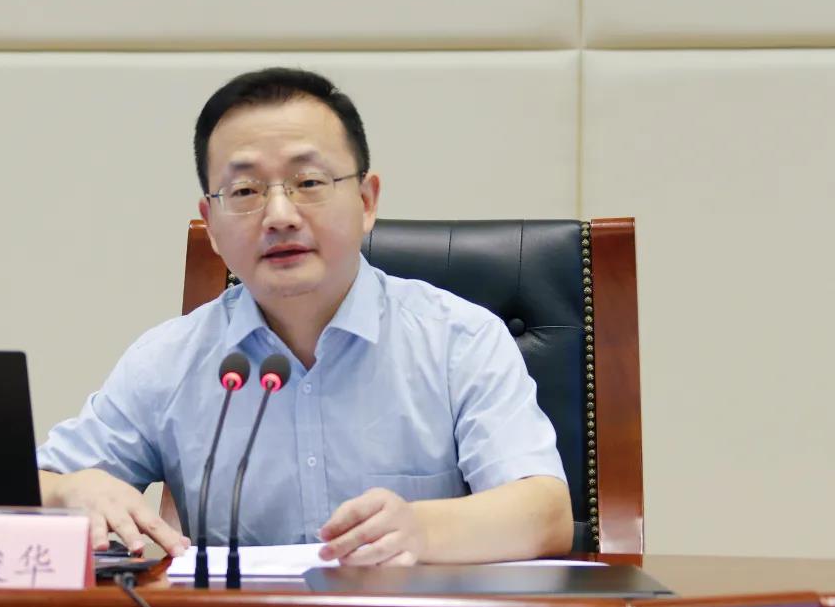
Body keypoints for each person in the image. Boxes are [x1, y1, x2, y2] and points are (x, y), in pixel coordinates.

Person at [37, 67, 573, 566]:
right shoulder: (168, 362)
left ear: (366, 200)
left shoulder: (459, 340)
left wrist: (421, 529)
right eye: (244, 191)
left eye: (309, 183)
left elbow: (546, 512)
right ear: (212, 225)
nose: (279, 215)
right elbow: (24, 488)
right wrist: (68, 491)